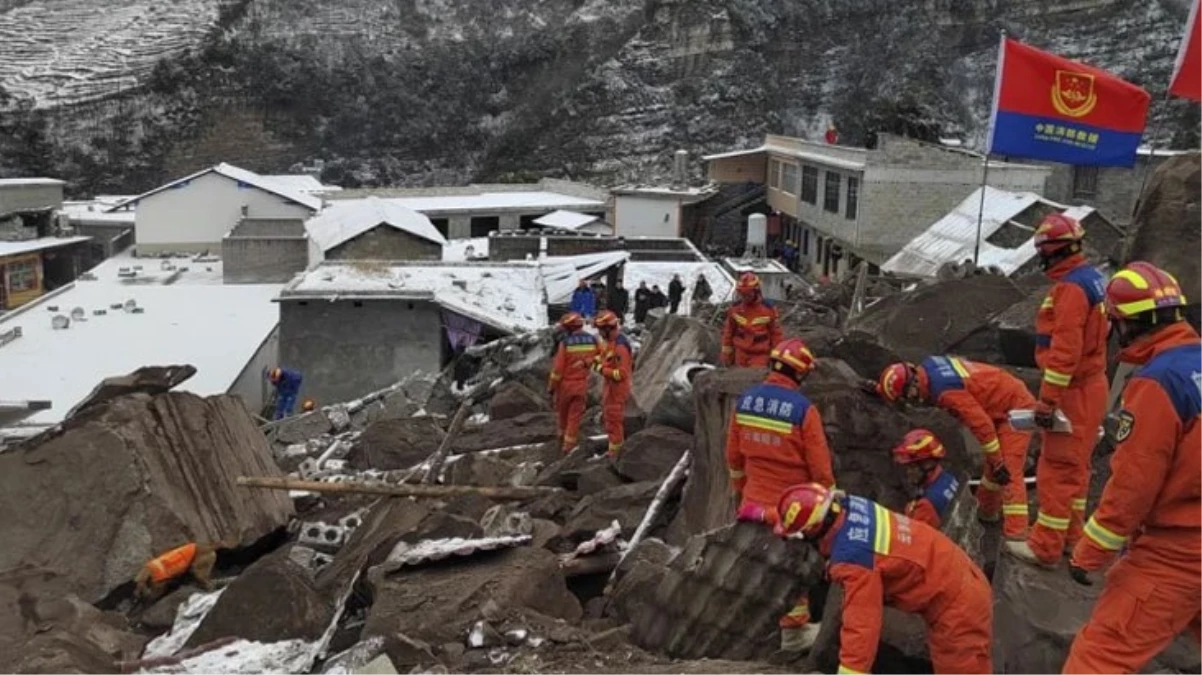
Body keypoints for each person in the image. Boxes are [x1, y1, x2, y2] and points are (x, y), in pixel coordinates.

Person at [1062, 262, 1201, 673]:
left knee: (1098, 658)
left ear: (1126, 324)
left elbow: (1132, 487)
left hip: (1177, 552)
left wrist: (1089, 553)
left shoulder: (1157, 382)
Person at [775, 483, 993, 674]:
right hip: (958, 580)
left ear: (814, 532)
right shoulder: (851, 506)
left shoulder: (854, 559)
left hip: (958, 605)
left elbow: (861, 626)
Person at [1007, 214, 1109, 567]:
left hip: (1073, 391)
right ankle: (1071, 539)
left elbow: (1065, 352)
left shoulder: (1070, 290)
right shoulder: (1093, 280)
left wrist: (1048, 401)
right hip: (1092, 386)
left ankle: (1045, 546)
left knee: (1056, 468)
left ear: (1051, 252)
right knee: (1078, 470)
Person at [726, 338, 834, 652]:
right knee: (791, 570)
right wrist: (829, 503)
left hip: (752, 502)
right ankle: (793, 634)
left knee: (756, 564)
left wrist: (741, 493)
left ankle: (752, 626)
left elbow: (733, 458)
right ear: (800, 375)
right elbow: (821, 470)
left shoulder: (745, 402)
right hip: (793, 508)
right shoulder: (803, 410)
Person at [877, 356, 1030, 540]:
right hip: (1000, 397)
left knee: (1008, 469)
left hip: (1014, 408)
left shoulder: (946, 392)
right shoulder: (927, 368)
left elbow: (982, 426)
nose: (911, 402)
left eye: (908, 396)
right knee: (993, 467)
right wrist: (881, 390)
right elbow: (901, 382)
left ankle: (1017, 534)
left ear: (914, 384)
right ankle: (985, 512)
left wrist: (998, 461)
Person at [548, 312, 600, 453]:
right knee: (575, 417)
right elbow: (601, 357)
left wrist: (551, 387)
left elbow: (557, 370)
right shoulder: (593, 340)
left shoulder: (566, 343)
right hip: (582, 384)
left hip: (565, 385)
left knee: (563, 414)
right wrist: (586, 362)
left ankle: (562, 440)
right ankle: (569, 446)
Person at [892, 429, 961, 530]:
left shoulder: (925, 506)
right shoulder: (948, 478)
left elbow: (915, 541)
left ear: (927, 464)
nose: (908, 472)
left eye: (911, 467)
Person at [720, 272, 782, 368]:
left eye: (747, 294)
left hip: (760, 354)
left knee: (755, 378)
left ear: (756, 291)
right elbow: (729, 331)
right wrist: (726, 354)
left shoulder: (768, 310)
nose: (744, 297)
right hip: (740, 353)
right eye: (742, 294)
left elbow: (776, 334)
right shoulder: (735, 309)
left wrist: (777, 357)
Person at [594, 310, 633, 458]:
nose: (599, 333)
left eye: (601, 330)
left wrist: (601, 369)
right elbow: (604, 357)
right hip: (610, 389)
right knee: (610, 422)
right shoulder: (611, 343)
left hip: (617, 391)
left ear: (608, 329)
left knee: (614, 423)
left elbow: (621, 374)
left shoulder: (620, 347)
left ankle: (615, 455)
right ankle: (614, 451)